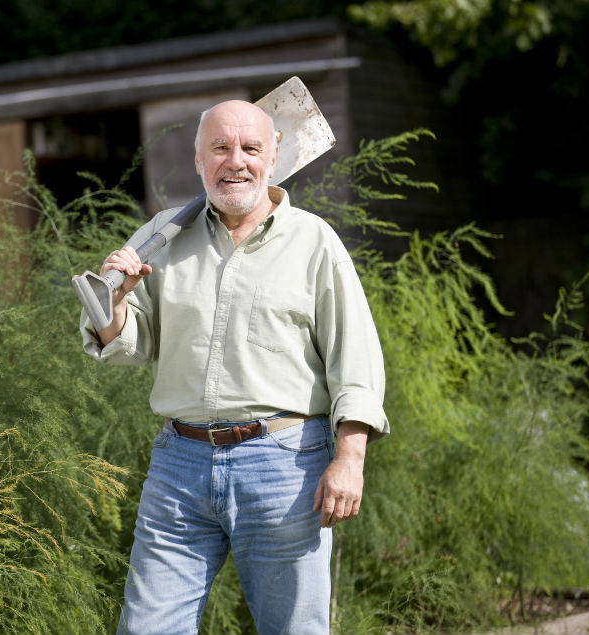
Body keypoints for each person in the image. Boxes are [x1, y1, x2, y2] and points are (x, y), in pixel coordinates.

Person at [80, 99, 389, 635]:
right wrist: (117, 302)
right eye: (220, 148)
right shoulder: (161, 237)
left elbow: (355, 360)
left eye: (250, 148)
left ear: (274, 157)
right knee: (145, 628)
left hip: (285, 468)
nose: (236, 160)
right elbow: (128, 347)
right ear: (199, 162)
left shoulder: (315, 242)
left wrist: (350, 458)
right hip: (180, 466)